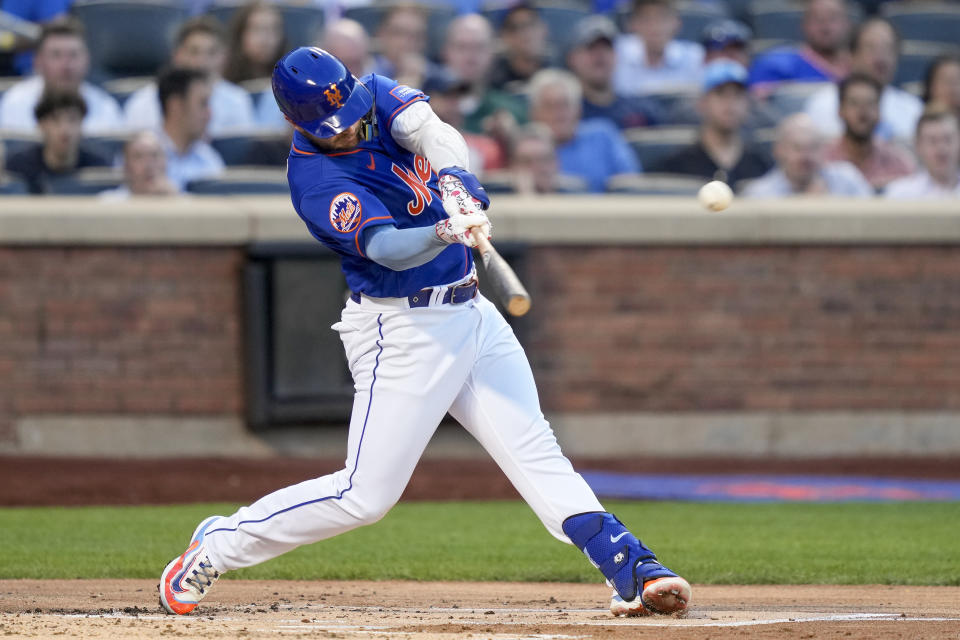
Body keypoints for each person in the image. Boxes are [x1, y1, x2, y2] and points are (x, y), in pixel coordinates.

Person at [157, 45, 691, 621]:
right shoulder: (315, 178)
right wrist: (443, 228)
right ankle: (217, 545)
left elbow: (431, 131)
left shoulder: (372, 94)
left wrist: (457, 179)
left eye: (354, 113)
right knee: (364, 496)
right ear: (298, 123)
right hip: (401, 328)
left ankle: (632, 567)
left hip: (470, 311)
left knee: (533, 448)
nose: (352, 127)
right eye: (334, 127)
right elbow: (386, 247)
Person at [123, 16, 256, 135]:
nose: (202, 61)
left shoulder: (238, 101)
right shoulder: (144, 103)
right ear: (177, 55)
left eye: (211, 53)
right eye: (194, 52)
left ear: (224, 58)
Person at [655, 60, 772, 188]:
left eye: (738, 95)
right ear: (702, 103)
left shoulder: (762, 164)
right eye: (721, 94)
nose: (730, 104)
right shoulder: (676, 165)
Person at [804, 17, 923, 142]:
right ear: (852, 55)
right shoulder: (823, 104)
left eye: (888, 48)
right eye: (871, 47)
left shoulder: (913, 109)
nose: (881, 56)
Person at [0, 18, 122, 133]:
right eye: (56, 55)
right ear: (38, 62)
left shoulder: (107, 108)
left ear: (87, 60)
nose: (66, 65)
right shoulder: (15, 103)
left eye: (73, 55)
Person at [528, 68, 640, 192]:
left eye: (564, 105)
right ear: (534, 113)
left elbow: (631, 184)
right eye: (549, 106)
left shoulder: (603, 137)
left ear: (578, 109)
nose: (558, 113)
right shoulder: (525, 149)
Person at [4, 89, 109, 194]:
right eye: (55, 120)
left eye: (72, 119)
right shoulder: (17, 167)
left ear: (82, 124)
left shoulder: (99, 169)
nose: (65, 129)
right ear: (41, 125)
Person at [742, 113, 873, 196]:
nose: (806, 156)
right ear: (778, 151)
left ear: (824, 150)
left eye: (813, 147)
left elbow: (872, 219)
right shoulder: (760, 194)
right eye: (797, 148)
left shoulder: (847, 179)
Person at [823, 72, 914, 191]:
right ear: (840, 110)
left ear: (880, 111)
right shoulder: (823, 161)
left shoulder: (899, 164)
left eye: (870, 103)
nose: (862, 112)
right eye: (854, 103)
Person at [566, 15, 660, 129]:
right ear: (572, 58)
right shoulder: (565, 116)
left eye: (607, 47)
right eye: (591, 48)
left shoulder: (642, 111)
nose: (600, 54)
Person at [441, 13, 526, 135]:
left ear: (492, 54)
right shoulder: (425, 110)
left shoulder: (513, 112)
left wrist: (511, 140)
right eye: (461, 47)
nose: (470, 57)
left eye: (479, 47)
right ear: (446, 52)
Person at [748, 0, 851, 96]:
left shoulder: (860, 67)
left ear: (847, 23)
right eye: (817, 19)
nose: (825, 26)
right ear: (804, 24)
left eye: (833, 18)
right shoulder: (776, 65)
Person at [612, 0, 704, 96]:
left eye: (662, 18)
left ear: (677, 22)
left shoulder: (695, 58)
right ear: (632, 24)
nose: (654, 26)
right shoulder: (617, 54)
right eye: (646, 19)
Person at [156, 67, 224, 189]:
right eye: (203, 104)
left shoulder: (209, 158)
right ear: (175, 106)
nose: (209, 114)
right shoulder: (141, 156)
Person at [885, 109, 960, 199]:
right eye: (933, 141)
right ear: (918, 146)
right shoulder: (900, 194)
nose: (941, 149)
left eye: (948, 139)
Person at [369, 2, 443, 90]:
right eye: (399, 33)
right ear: (381, 34)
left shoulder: (436, 76)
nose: (406, 42)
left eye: (416, 35)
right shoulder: (365, 72)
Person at [487, 2, 553, 95]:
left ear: (544, 29)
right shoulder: (492, 80)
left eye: (531, 23)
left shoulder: (557, 72)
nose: (526, 33)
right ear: (504, 36)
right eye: (515, 27)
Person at [504, 123, 587, 194]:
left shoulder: (576, 193)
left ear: (557, 162)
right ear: (512, 166)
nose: (537, 168)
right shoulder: (496, 196)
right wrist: (526, 194)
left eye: (544, 160)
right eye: (526, 161)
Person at [100, 130, 179, 199]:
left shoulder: (182, 201)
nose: (149, 165)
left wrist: (174, 200)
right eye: (139, 157)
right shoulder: (108, 204)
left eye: (154, 155)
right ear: (126, 167)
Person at [222, 1, 286, 85]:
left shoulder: (288, 79)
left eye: (274, 29)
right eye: (257, 29)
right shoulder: (221, 81)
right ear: (240, 34)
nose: (266, 39)